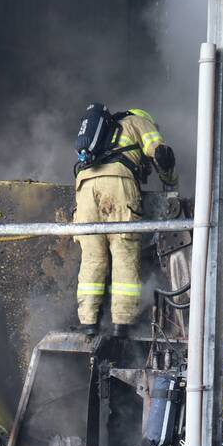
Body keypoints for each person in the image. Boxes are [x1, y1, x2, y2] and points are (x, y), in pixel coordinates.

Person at [73, 103, 177, 337]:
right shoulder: (139, 122)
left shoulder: (104, 132)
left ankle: (88, 322)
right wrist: (171, 182)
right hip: (117, 183)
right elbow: (161, 154)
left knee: (92, 258)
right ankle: (122, 322)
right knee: (124, 253)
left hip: (84, 186)